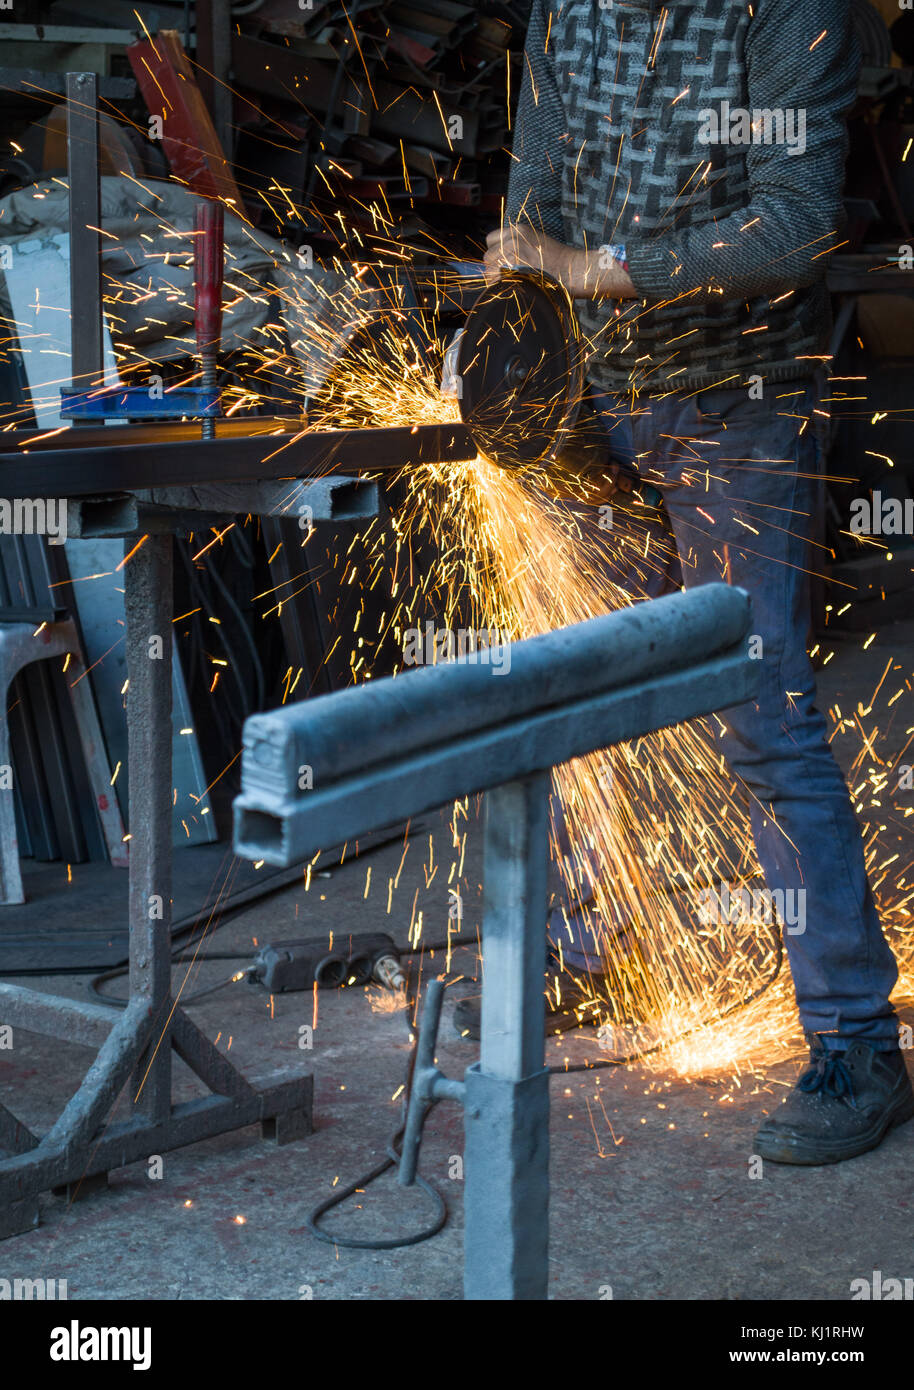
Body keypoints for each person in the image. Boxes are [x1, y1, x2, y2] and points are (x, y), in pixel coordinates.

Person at [473, 0, 912, 1165]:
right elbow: (538, 191)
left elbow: (792, 221)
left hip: (738, 405)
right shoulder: (570, 9)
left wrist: (598, 271)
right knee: (569, 686)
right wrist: (517, 297)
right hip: (594, 408)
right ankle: (582, 959)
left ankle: (856, 1040)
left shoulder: (784, 12)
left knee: (760, 718)